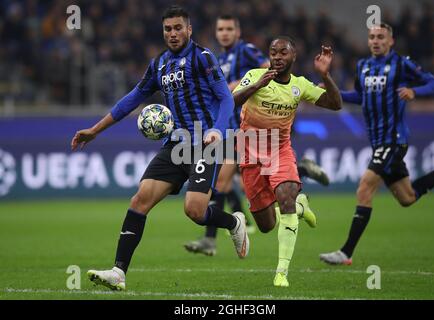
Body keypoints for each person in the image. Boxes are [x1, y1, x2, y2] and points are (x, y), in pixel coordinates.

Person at [71, 6, 250, 291]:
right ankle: (119, 272)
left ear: (189, 29)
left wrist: (217, 128)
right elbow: (131, 99)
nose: (173, 33)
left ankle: (233, 223)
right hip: (175, 145)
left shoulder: (202, 58)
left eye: (178, 28)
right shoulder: (159, 64)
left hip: (205, 143)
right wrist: (95, 129)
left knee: (194, 210)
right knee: (139, 201)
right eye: (168, 29)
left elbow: (226, 98)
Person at [184, 15, 330, 257]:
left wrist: (239, 85)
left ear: (238, 32)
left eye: (229, 29)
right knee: (237, 182)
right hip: (235, 129)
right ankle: (301, 171)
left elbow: (271, 69)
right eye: (220, 29)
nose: (224, 33)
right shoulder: (221, 57)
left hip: (249, 130)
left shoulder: (246, 51)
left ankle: (210, 239)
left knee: (222, 182)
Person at [319, 23, 434, 266]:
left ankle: (346, 252)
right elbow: (359, 96)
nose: (376, 41)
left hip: (394, 139)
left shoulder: (401, 64)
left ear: (391, 41)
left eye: (381, 37)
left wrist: (414, 91)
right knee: (407, 197)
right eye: (372, 37)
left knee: (364, 187)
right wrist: (329, 88)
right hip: (378, 141)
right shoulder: (363, 65)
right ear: (368, 41)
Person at [232, 36, 342, 286]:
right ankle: (300, 206)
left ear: (294, 56)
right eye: (273, 52)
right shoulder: (254, 75)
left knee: (285, 196)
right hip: (250, 154)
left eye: (283, 53)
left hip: (280, 150)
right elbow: (231, 101)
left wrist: (325, 75)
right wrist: (256, 85)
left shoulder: (300, 85)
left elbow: (336, 104)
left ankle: (281, 272)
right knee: (266, 224)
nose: (278, 57)